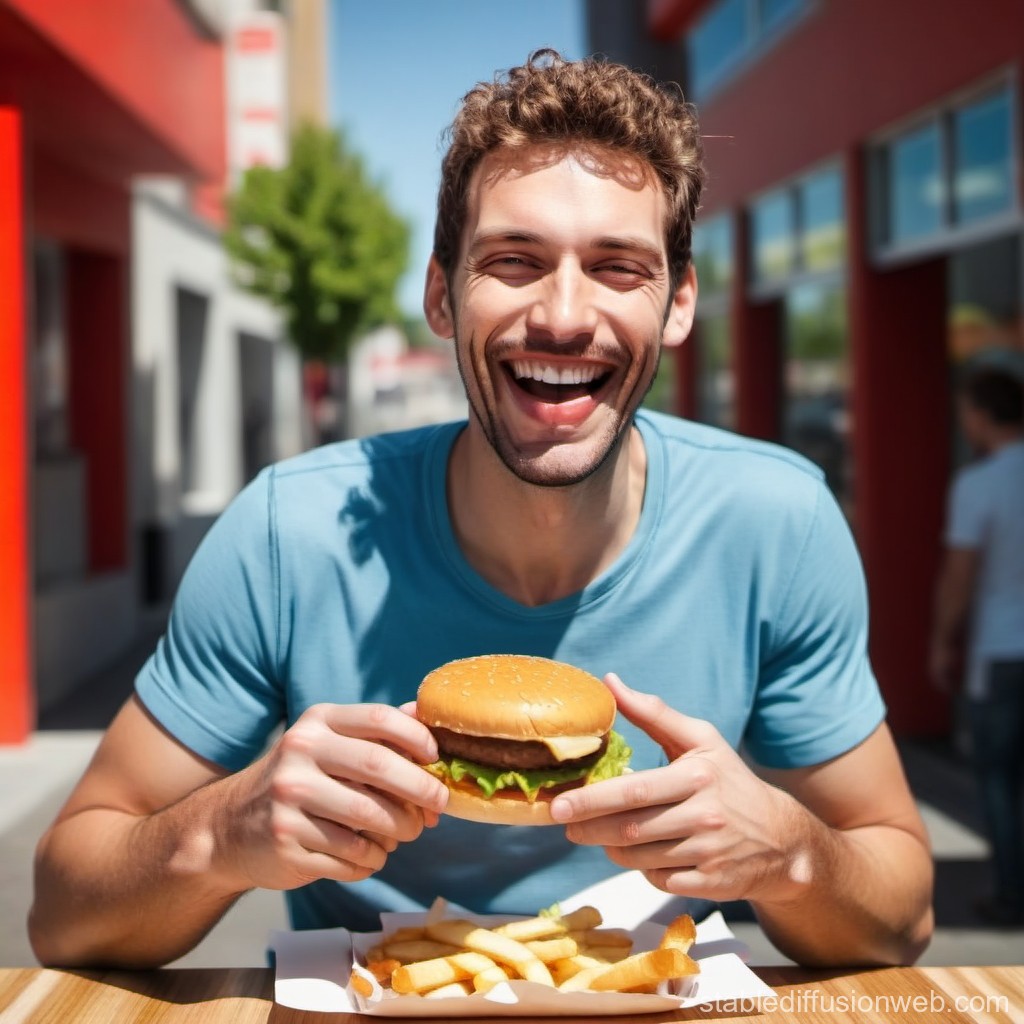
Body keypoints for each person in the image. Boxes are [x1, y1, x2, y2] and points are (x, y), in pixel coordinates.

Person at [29, 50, 933, 969]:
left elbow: (902, 917)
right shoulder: (285, 532)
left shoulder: (778, 523)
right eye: (513, 260)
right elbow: (62, 915)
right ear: (440, 295)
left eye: (619, 266)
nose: (564, 317)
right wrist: (220, 832)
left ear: (679, 304)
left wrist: (792, 857)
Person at [931, 364, 1024, 927]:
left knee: (998, 779)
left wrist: (942, 641)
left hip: (1001, 652)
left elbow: (959, 575)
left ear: (983, 415)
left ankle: (1012, 895)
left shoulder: (979, 484)